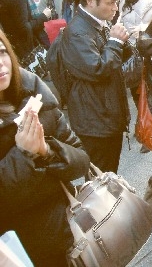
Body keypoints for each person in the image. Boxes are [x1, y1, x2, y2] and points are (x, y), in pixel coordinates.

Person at [0, 30, 90, 266]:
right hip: (19, 250)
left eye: (2, 52)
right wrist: (22, 154)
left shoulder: (32, 93)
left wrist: (47, 151)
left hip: (68, 231)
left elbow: (81, 160)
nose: (0, 64)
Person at [60, 0, 130, 173]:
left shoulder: (98, 23)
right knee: (101, 181)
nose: (116, 8)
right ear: (91, 1)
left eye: (117, 1)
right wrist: (116, 42)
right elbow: (98, 69)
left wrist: (121, 42)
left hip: (103, 114)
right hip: (95, 121)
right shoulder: (77, 32)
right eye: (111, 2)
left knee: (108, 176)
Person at [118, 0, 152, 106]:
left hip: (143, 53)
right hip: (126, 48)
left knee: (144, 94)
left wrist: (143, 29)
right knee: (134, 90)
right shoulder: (124, 0)